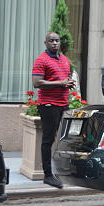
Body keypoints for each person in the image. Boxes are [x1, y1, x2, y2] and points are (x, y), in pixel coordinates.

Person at [31, 32, 74, 189]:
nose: (54, 43)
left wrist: (68, 83)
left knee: (64, 138)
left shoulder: (64, 59)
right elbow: (36, 83)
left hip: (63, 104)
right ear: (46, 43)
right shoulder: (41, 60)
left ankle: (61, 170)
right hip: (48, 104)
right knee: (48, 139)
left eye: (57, 41)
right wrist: (61, 83)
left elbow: (65, 79)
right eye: (51, 41)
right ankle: (48, 175)